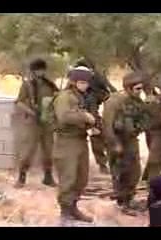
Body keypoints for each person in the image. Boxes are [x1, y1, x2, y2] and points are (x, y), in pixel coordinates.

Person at [102, 71, 151, 211]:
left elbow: (146, 118)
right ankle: (122, 201)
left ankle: (129, 198)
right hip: (117, 139)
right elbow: (107, 125)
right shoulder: (114, 102)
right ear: (128, 88)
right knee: (120, 172)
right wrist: (114, 144)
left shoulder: (137, 102)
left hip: (131, 139)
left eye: (141, 89)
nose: (140, 92)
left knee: (134, 171)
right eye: (137, 89)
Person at [53, 66, 96, 222]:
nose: (85, 85)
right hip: (66, 142)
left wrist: (93, 125)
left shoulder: (81, 96)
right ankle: (65, 212)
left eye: (87, 82)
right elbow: (64, 117)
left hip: (80, 140)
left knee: (81, 178)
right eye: (82, 82)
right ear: (73, 82)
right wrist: (84, 116)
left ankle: (73, 207)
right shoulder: (65, 97)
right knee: (68, 177)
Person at [14, 58, 59, 188]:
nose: (40, 72)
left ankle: (48, 177)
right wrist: (32, 112)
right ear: (33, 71)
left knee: (48, 151)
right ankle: (21, 177)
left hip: (47, 122)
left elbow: (57, 98)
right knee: (28, 151)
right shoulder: (27, 85)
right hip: (33, 122)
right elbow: (19, 102)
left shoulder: (49, 84)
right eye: (38, 70)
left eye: (42, 70)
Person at [71, 58, 116, 174]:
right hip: (77, 111)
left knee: (97, 137)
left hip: (92, 108)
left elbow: (106, 93)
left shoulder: (95, 79)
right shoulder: (72, 83)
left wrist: (97, 97)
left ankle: (103, 164)